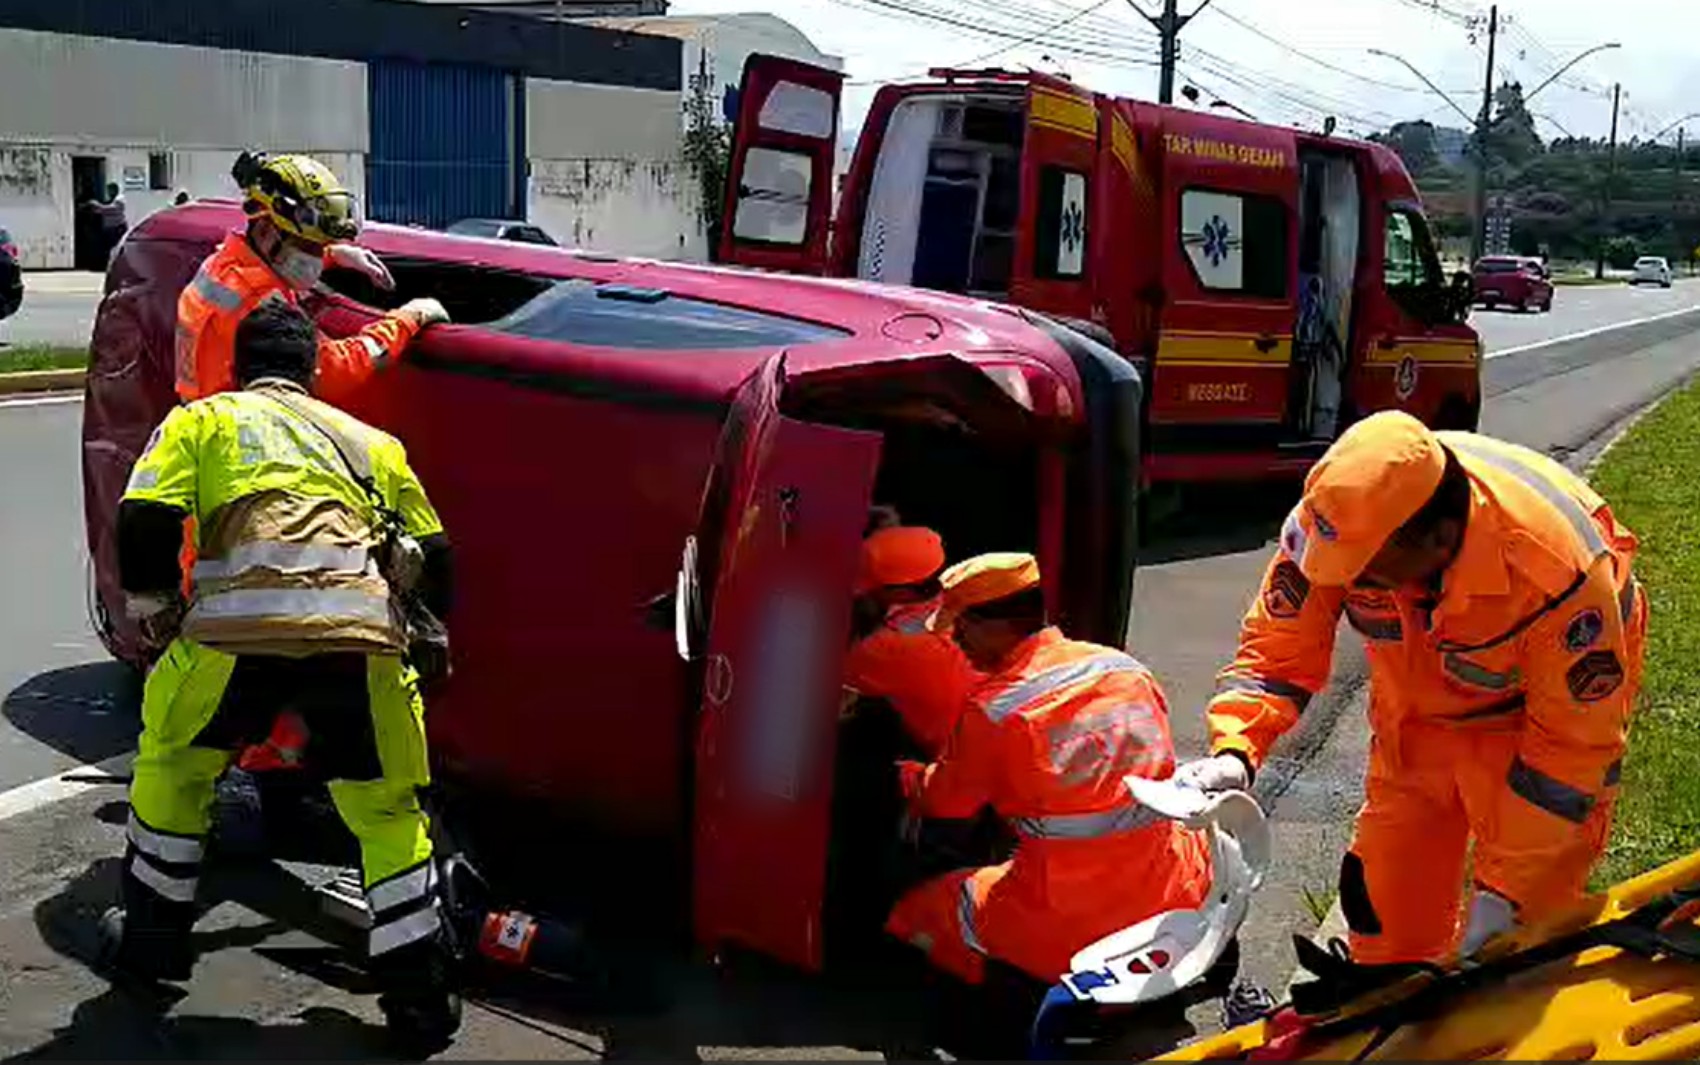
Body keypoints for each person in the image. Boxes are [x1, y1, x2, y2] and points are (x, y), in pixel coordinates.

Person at [105, 300, 460, 1050]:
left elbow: (143, 516)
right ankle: (420, 1001)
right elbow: (435, 551)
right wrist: (429, 635)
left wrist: (156, 609)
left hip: (233, 636)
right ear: (310, 374)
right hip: (357, 639)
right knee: (387, 813)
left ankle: (152, 952)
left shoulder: (204, 421)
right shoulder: (370, 443)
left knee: (174, 772)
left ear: (238, 369)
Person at [1178, 411, 1646, 967]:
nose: (1351, 582)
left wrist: (1505, 894)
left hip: (1532, 726)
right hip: (1416, 724)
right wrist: (1236, 750)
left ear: (1439, 539)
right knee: (1385, 918)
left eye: (1369, 570)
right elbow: (1278, 649)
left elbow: (1568, 753)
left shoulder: (1556, 575)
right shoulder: (1338, 525)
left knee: (1523, 939)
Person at [885, 552, 1212, 986]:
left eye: (960, 629)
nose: (956, 644)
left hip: (1067, 926)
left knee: (920, 911)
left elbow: (947, 803)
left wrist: (905, 776)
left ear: (993, 626)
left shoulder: (995, 709)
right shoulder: (1125, 670)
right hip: (1170, 894)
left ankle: (1000, 995)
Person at [176, 151, 448, 406]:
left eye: (320, 245)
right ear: (265, 230)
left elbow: (279, 261)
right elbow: (332, 371)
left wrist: (334, 254)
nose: (315, 259)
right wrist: (408, 319)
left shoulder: (226, 263)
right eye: (308, 245)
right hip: (233, 434)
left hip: (205, 411)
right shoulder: (261, 303)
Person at [843, 524, 980, 757]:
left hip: (956, 773)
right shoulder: (979, 603)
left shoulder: (885, 649)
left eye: (873, 587)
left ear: (900, 592)